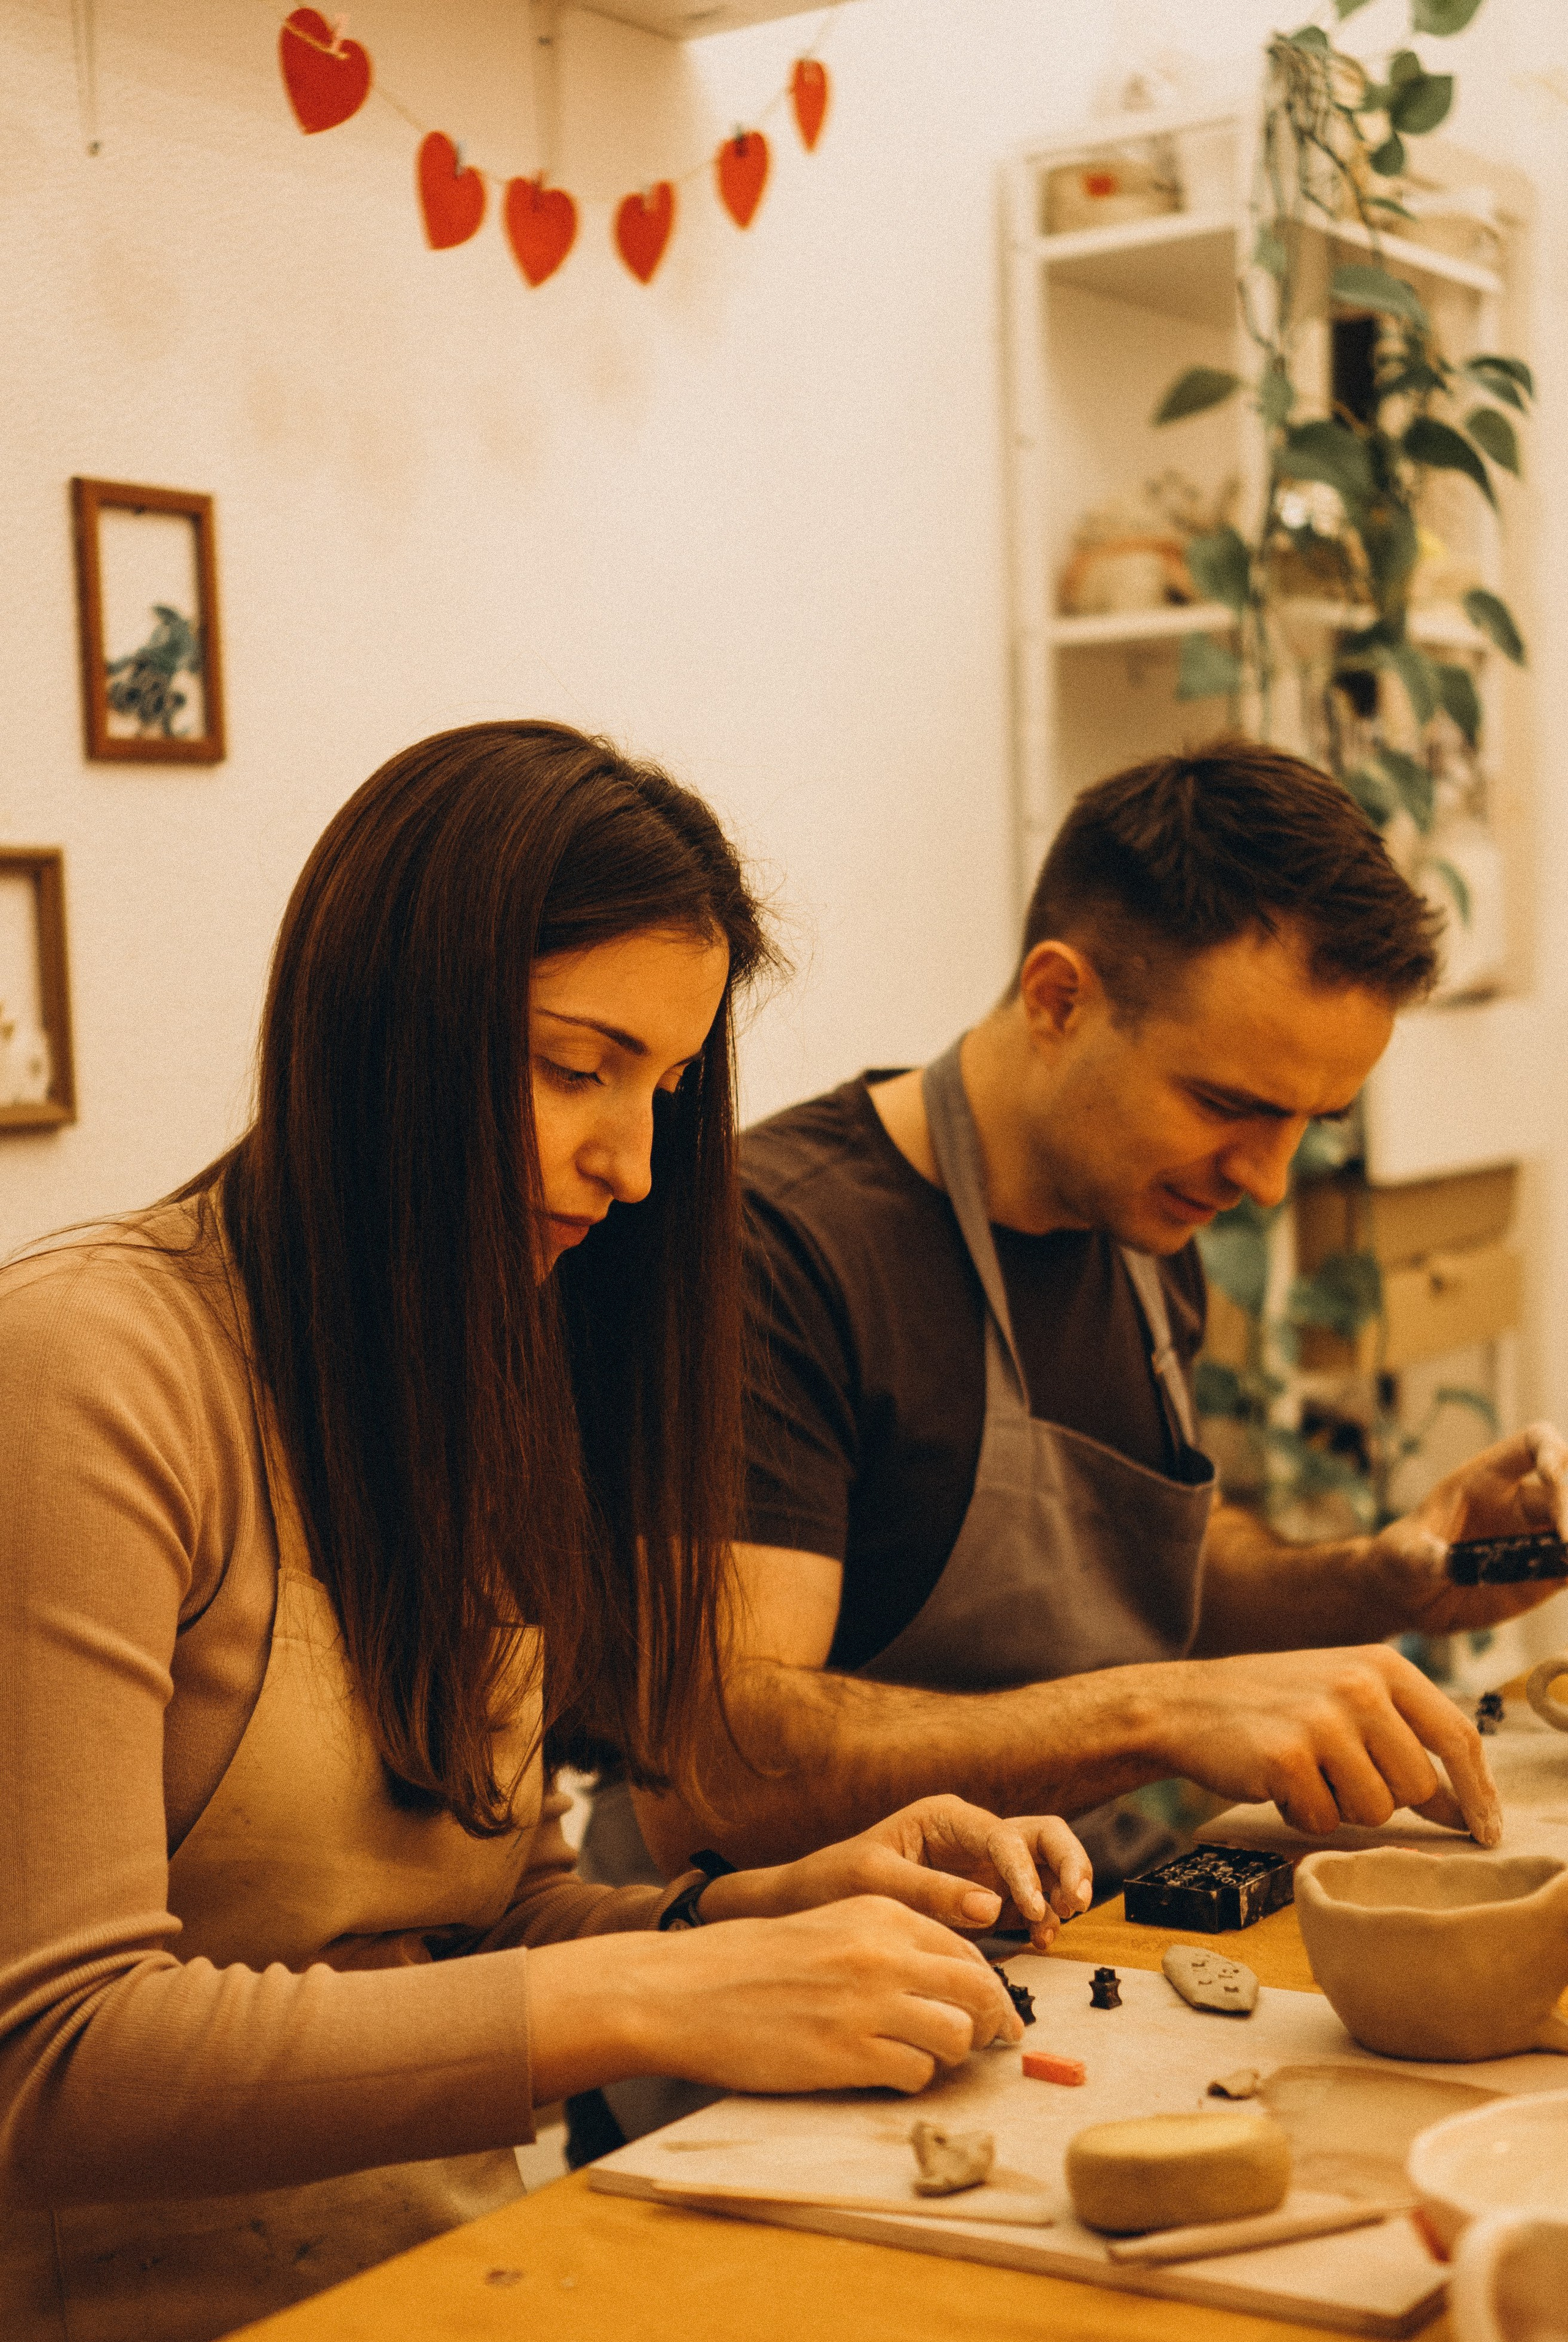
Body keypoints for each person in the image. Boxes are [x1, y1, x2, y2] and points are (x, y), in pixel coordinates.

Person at [0, 722, 1094, 2342]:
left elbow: (491, 1916)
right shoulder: (88, 1369)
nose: (634, 1164)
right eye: (578, 1068)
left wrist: (754, 1916)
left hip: (470, 2279)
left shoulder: (491, 1361)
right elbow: (59, 2062)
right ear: (385, 1036)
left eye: (661, 1088)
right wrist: (649, 1996)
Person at [570, 744, 1568, 2148]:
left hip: (1045, 1966)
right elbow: (715, 1770)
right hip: (767, 2058)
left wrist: (1384, 1578)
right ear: (1057, 998)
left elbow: (1146, 1558)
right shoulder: (773, 1256)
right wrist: (1157, 1713)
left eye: (1308, 1123)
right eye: (1228, 1104)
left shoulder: (1142, 1224)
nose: (1266, 1178)